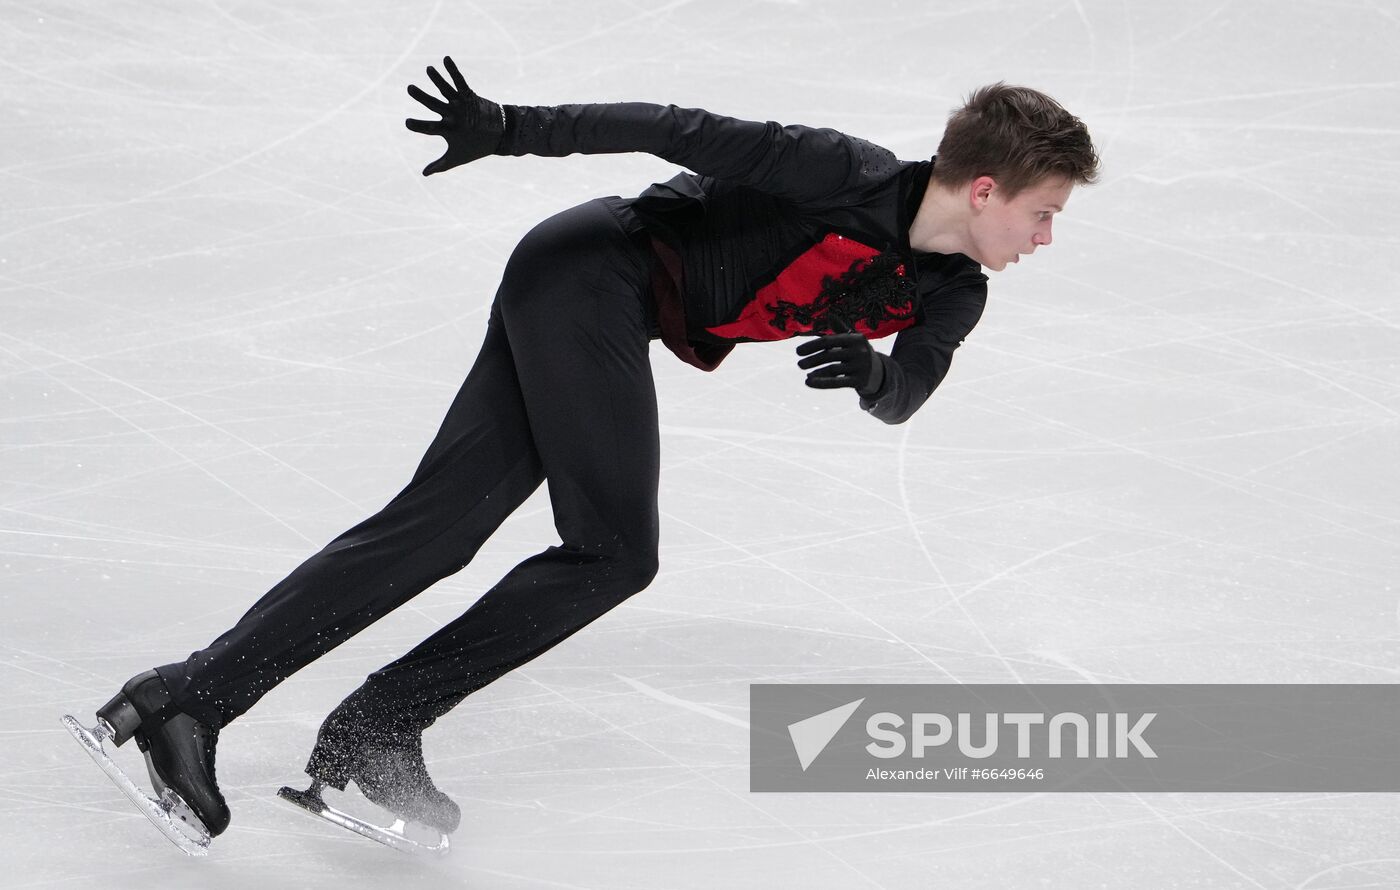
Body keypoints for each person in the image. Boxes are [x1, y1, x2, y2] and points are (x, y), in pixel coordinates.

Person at [83, 57, 1099, 842]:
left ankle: (188, 697)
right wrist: (513, 129)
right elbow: (675, 129)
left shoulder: (953, 288)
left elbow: (910, 386)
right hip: (590, 267)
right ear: (980, 187)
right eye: (1041, 213)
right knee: (613, 548)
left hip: (607, 310)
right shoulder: (841, 172)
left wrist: (875, 376)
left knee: (437, 529)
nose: (1045, 238)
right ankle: (365, 725)